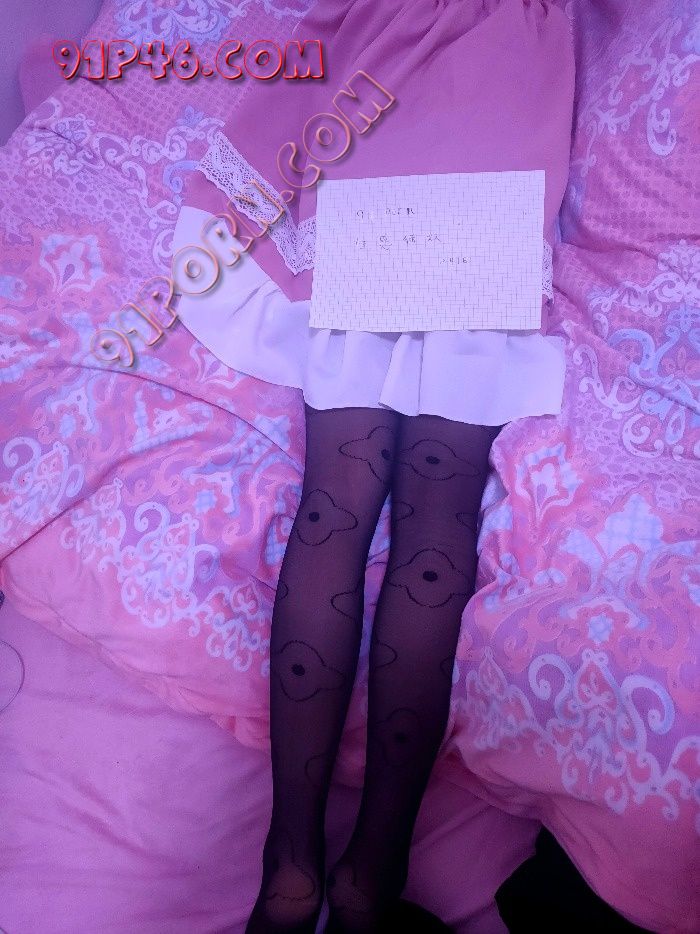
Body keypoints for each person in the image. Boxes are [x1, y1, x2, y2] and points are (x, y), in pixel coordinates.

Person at [173, 1, 575, 930]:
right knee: (437, 524)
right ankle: (373, 869)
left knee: (335, 507)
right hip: (500, 126)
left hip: (383, 127)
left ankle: (289, 866)